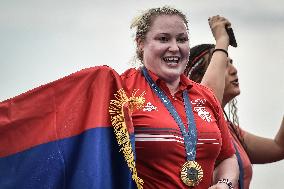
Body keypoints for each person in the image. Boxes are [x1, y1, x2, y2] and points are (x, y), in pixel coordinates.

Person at [121, 6, 239, 189]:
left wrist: (225, 184)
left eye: (182, 39)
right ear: (140, 43)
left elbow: (227, 157)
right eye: (163, 39)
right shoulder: (122, 91)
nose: (175, 48)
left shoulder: (205, 96)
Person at [185, 16, 284, 189]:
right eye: (224, 65)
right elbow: (207, 95)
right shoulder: (192, 126)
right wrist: (222, 40)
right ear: (196, 78)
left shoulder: (230, 130)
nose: (234, 70)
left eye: (231, 63)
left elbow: (278, 148)